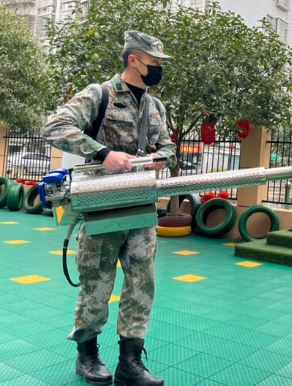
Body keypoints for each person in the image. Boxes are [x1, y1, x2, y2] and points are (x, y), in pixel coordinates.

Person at [42, 31, 177, 386]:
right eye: (154, 61)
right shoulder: (99, 94)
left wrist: (160, 158)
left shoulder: (156, 106)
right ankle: (87, 354)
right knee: (97, 284)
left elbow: (169, 147)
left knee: (142, 284)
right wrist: (102, 153)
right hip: (102, 205)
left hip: (141, 206)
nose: (159, 67)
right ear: (134, 59)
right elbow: (54, 127)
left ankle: (130, 362)